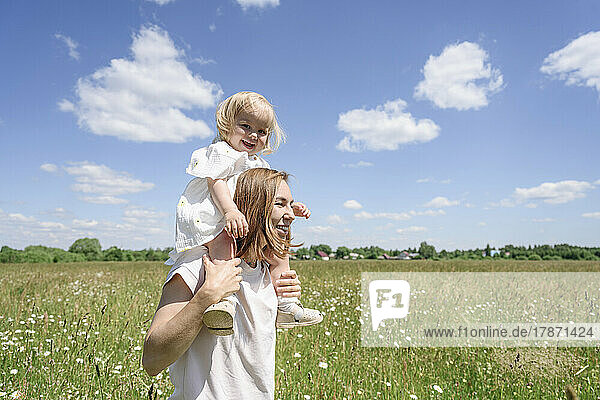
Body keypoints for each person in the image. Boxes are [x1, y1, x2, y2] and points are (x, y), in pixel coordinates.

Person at [143, 168, 308, 399]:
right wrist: (206, 297)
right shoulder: (198, 267)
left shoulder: (264, 273)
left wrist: (286, 299)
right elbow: (152, 360)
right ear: (252, 207)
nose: (290, 214)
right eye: (280, 204)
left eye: (291, 205)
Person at [172, 91, 321, 335]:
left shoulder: (260, 165)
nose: (253, 135)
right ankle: (223, 300)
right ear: (226, 125)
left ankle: (285, 303)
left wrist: (288, 206)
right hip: (221, 217)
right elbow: (216, 181)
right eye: (245, 126)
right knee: (224, 241)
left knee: (280, 248)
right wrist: (230, 210)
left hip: (248, 222)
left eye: (262, 131)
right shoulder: (221, 152)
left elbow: (269, 196)